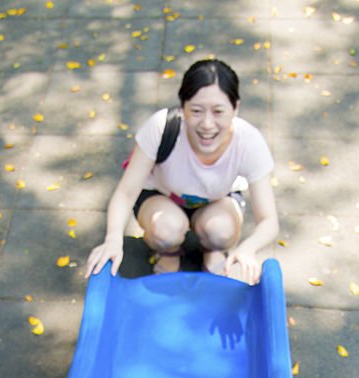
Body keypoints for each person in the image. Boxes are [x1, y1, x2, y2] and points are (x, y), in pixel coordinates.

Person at [84, 59, 279, 286]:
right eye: (196, 111)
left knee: (221, 231)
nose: (207, 124)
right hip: (162, 198)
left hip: (217, 202)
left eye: (218, 112)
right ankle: (168, 252)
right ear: (183, 107)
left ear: (235, 108)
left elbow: (269, 221)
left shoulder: (248, 142)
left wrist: (247, 249)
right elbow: (126, 192)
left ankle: (212, 249)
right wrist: (113, 239)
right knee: (166, 229)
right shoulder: (162, 128)